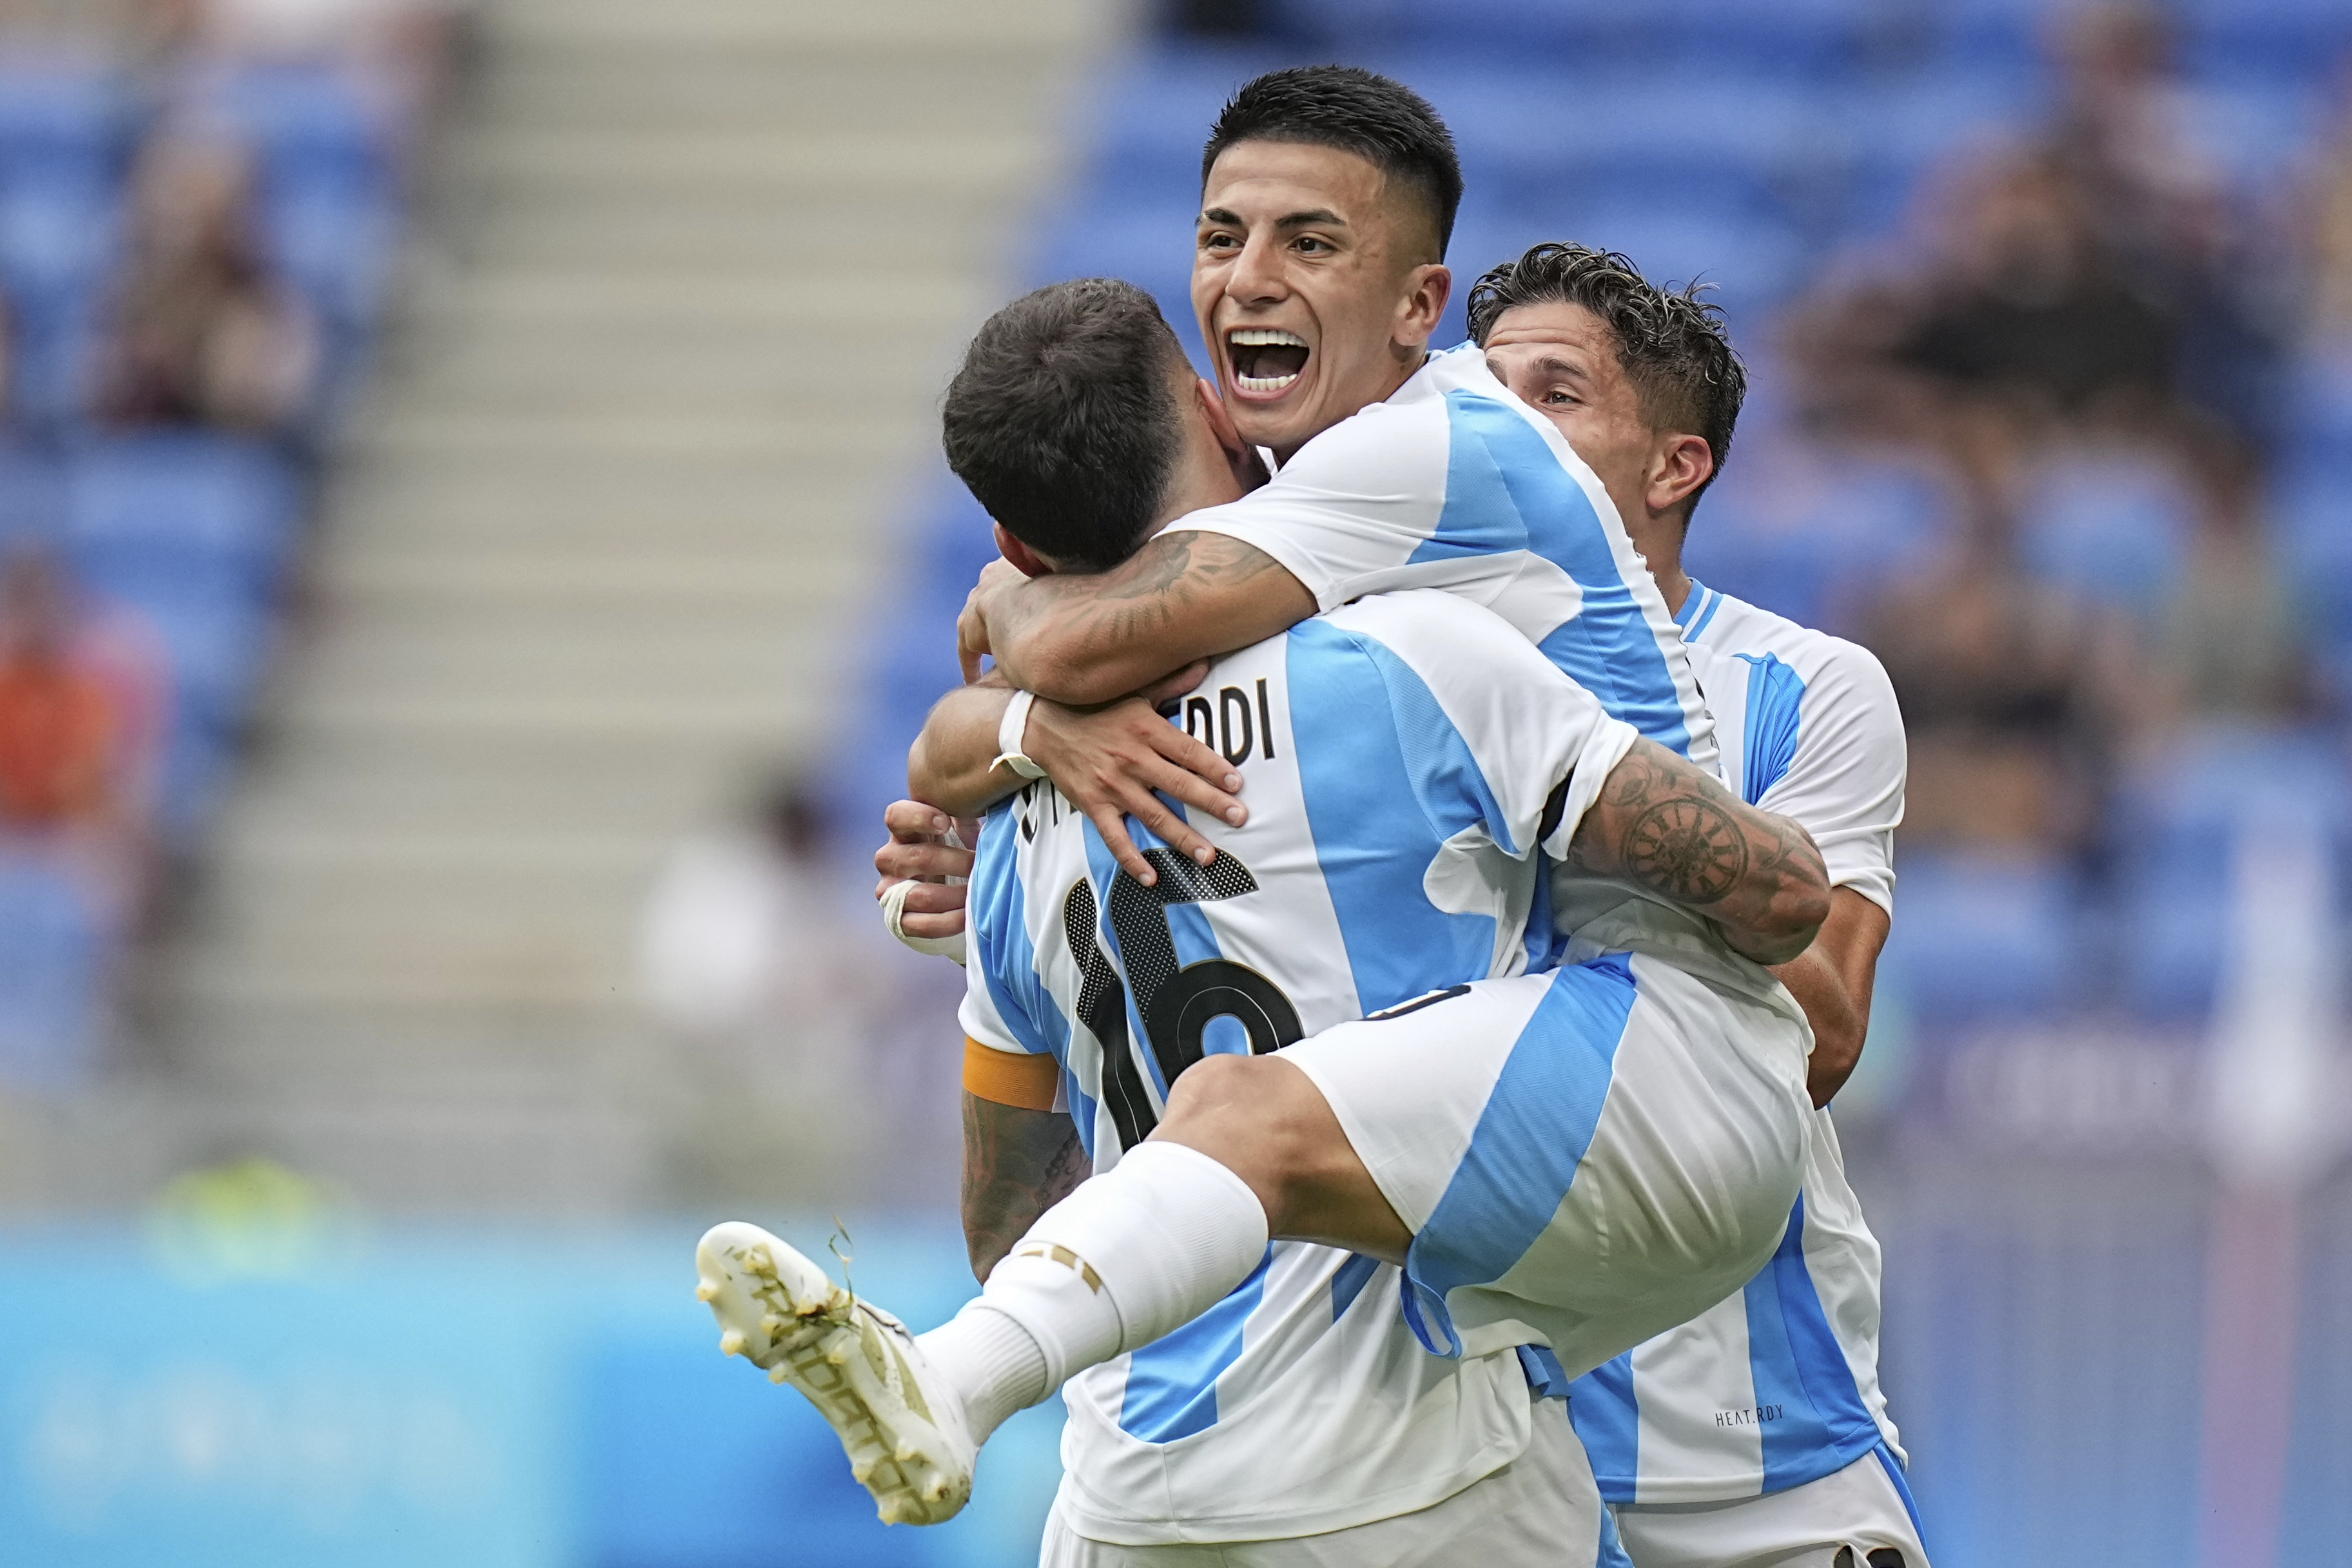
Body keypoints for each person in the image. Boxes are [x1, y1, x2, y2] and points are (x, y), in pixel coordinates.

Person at [699, 275, 1830, 1564]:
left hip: (1126, 1498)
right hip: (1408, 1474)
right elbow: (1765, 893)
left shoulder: (999, 835)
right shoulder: (1414, 662)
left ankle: (961, 1372)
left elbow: (1009, 1226)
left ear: (1015, 553)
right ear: (1224, 425)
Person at [1470, 245, 1927, 1568]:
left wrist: (1601, 783)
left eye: (1554, 392)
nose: (1502, 422)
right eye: (1483, 389)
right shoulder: (1381, 665)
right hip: (1477, 1447)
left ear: (1677, 465)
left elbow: (1826, 1033)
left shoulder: (1810, 685)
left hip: (1755, 1449)